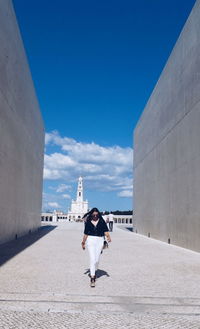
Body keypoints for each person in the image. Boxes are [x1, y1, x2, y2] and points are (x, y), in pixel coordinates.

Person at [81, 207, 111, 287]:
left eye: (96, 215)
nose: (95, 216)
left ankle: (94, 268)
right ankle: (92, 277)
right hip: (90, 240)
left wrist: (108, 237)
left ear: (98, 214)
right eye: (93, 215)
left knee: (97, 260)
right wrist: (83, 242)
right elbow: (86, 233)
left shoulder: (101, 221)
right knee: (92, 259)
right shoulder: (88, 222)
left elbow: (105, 230)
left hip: (100, 240)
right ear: (91, 215)